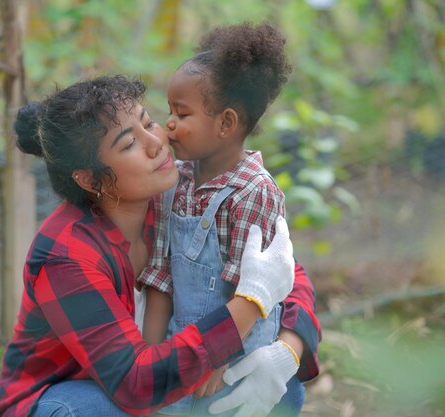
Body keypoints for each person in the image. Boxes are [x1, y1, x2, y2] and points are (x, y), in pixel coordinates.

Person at [0, 75, 297, 417]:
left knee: (283, 388)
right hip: (79, 398)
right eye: (128, 144)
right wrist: (249, 305)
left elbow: (279, 268)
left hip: (159, 389)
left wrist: (290, 350)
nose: (156, 143)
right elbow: (136, 384)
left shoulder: (180, 197)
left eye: (149, 122)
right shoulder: (66, 255)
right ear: (89, 179)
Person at [137, 22, 320, 417]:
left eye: (181, 113)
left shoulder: (254, 192)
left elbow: (246, 295)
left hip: (236, 363)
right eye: (169, 110)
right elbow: (160, 278)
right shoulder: (176, 183)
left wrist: (215, 362)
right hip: (181, 351)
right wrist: (149, 363)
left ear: (226, 124)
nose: (168, 123)